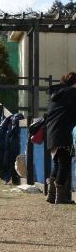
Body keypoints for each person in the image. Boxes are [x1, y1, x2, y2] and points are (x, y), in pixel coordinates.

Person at [45, 72, 76, 204]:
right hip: (63, 132)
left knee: (57, 163)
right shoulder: (72, 94)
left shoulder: (53, 95)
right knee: (64, 163)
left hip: (51, 132)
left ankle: (51, 195)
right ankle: (60, 197)